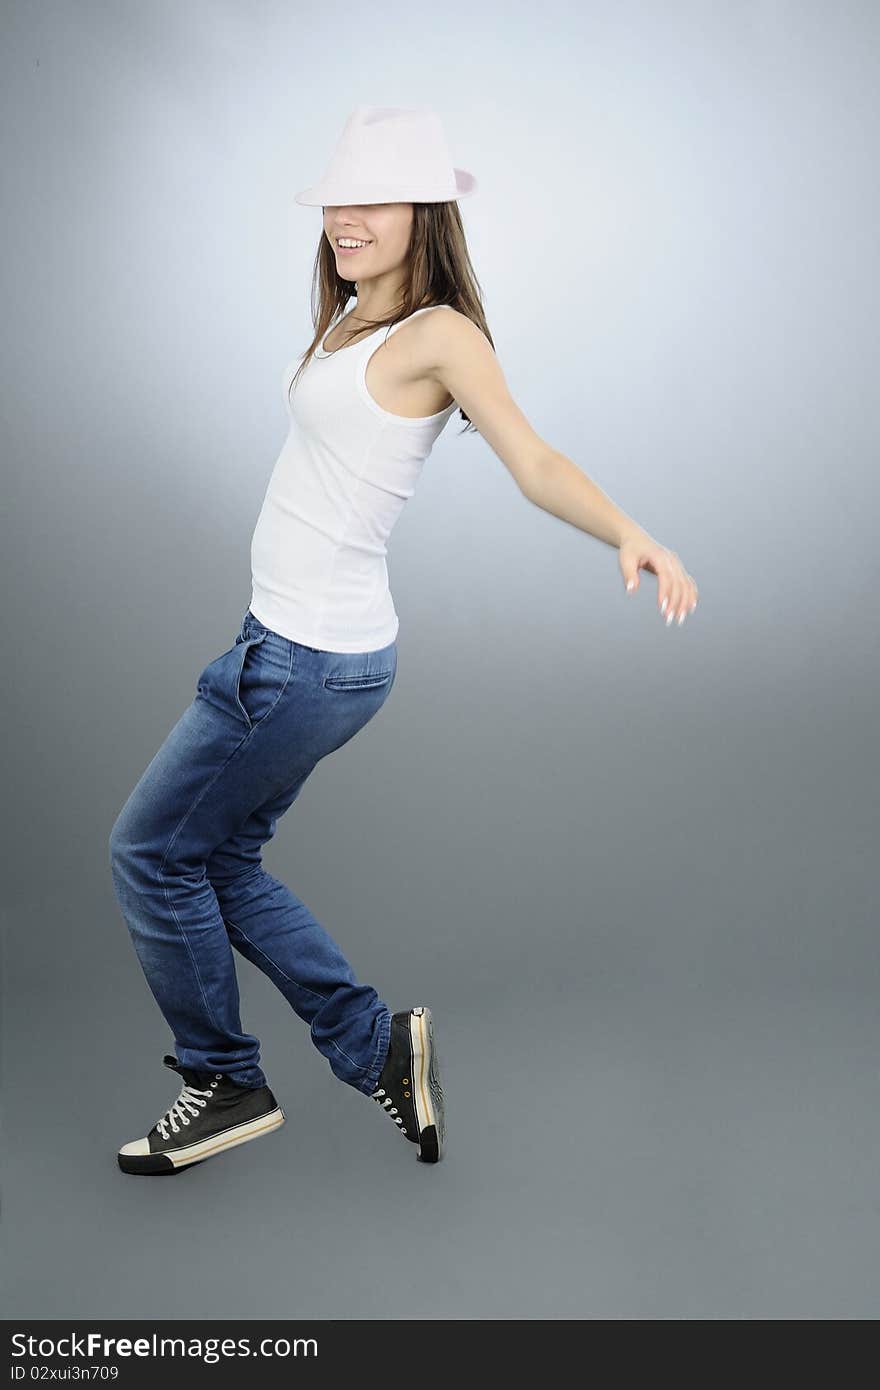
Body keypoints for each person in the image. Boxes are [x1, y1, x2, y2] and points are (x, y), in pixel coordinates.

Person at [109, 105, 698, 1178]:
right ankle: (372, 1042)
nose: (344, 220)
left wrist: (630, 532)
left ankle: (225, 1076)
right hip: (285, 650)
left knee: (150, 855)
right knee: (217, 856)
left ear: (425, 213)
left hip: (302, 662)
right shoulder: (348, 315)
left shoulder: (436, 331)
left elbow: (531, 459)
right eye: (336, 200)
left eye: (370, 202)